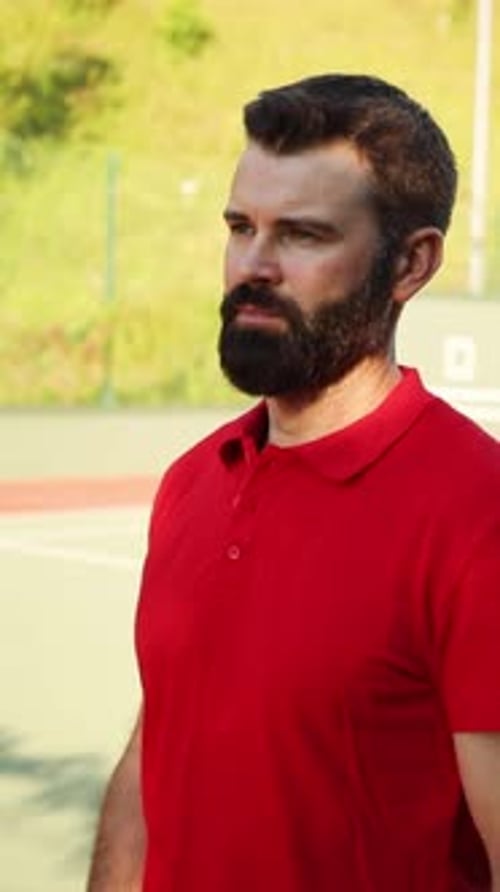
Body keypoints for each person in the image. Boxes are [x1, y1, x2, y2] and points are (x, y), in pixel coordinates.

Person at [87, 74, 500, 892]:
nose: (255, 265)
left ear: (410, 264)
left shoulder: (476, 514)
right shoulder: (191, 484)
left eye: (303, 235)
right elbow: (150, 767)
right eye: (241, 227)